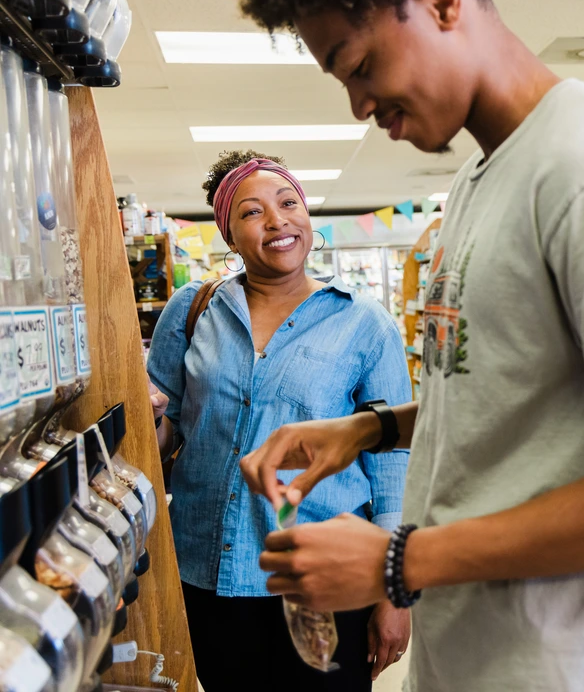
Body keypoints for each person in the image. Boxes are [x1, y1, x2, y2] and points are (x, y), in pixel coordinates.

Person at [234, 0, 584, 690]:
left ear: (440, 0)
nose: (360, 104)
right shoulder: (481, 177)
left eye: (361, 66)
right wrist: (369, 428)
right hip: (488, 654)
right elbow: (519, 398)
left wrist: (396, 561)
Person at [147, 150, 412, 691]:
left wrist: (394, 591)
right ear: (228, 235)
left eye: (288, 202)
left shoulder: (364, 322)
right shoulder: (192, 309)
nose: (277, 221)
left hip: (326, 573)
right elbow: (167, 429)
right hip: (207, 574)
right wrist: (149, 419)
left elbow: (392, 462)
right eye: (251, 212)